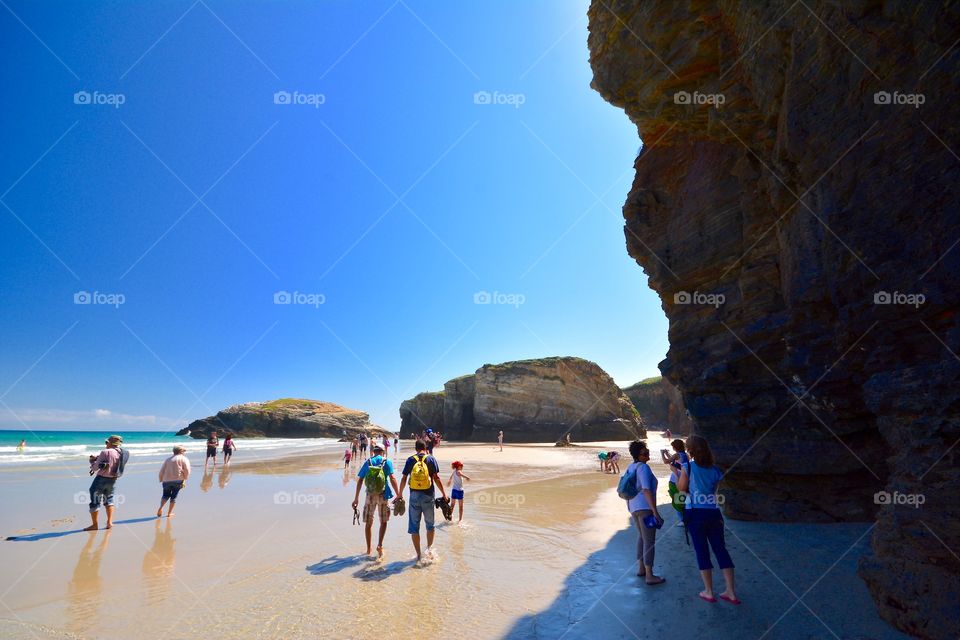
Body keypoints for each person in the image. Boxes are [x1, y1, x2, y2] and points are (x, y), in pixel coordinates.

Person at [676, 435, 739, 604]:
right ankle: (731, 592)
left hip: (696, 514)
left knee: (702, 551)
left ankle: (709, 591)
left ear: (690, 450)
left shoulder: (687, 467)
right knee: (721, 549)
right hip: (714, 513)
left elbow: (681, 488)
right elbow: (713, 491)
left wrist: (678, 478)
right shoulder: (716, 470)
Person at [397, 439, 447, 562]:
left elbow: (404, 478)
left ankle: (418, 555)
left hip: (414, 496)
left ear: (416, 448)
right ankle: (429, 550)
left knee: (414, 527)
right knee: (430, 525)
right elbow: (436, 478)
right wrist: (444, 494)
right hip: (428, 496)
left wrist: (399, 494)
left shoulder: (410, 460)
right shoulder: (431, 459)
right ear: (426, 448)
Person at [626, 440, 665, 585]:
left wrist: (630, 507)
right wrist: (655, 512)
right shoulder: (643, 468)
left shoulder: (631, 467)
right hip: (644, 508)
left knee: (642, 538)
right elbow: (646, 489)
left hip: (633, 507)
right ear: (638, 455)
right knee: (649, 540)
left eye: (648, 452)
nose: (647, 455)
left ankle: (641, 568)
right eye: (645, 453)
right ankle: (649, 575)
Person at [351, 444, 399, 560]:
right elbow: (392, 478)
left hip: (370, 495)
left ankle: (368, 549)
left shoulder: (368, 462)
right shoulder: (386, 462)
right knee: (383, 521)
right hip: (383, 495)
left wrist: (356, 498)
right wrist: (398, 494)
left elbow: (360, 480)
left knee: (369, 522)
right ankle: (379, 545)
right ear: (382, 451)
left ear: (373, 451)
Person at [84, 435, 127, 531]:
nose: (105, 444)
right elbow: (111, 462)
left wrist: (91, 462)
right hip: (113, 479)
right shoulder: (122, 453)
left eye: (106, 442)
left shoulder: (105, 452)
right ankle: (109, 522)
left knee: (95, 502)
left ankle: (94, 525)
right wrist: (99, 459)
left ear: (109, 443)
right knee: (109, 500)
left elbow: (94, 468)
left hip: (101, 479)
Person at [156, 445, 191, 518]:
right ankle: (169, 513)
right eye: (184, 451)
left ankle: (161, 508)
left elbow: (162, 471)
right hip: (178, 480)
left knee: (165, 495)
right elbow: (187, 470)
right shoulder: (184, 459)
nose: (184, 453)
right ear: (181, 451)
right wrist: (185, 478)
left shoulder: (168, 459)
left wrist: (161, 479)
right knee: (174, 497)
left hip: (166, 480)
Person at [661, 439, 690, 517]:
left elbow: (666, 461)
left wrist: (662, 453)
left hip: (676, 479)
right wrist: (667, 454)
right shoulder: (686, 455)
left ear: (674, 447)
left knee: (677, 500)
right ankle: (685, 517)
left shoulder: (677, 455)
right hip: (684, 479)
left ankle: (682, 519)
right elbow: (674, 460)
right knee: (683, 499)